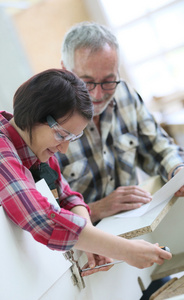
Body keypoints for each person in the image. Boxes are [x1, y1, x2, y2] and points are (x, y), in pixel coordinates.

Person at [0, 69, 172, 280]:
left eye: (71, 138)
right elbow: (42, 220)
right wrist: (125, 250)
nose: (63, 149)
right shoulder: (3, 149)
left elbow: (68, 197)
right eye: (61, 135)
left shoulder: (36, 144)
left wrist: (91, 238)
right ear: (34, 114)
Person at [58, 21, 184, 225]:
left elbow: (158, 148)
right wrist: (97, 209)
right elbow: (46, 211)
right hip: (84, 245)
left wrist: (180, 171)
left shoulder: (125, 95)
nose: (98, 95)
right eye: (87, 82)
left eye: (109, 80)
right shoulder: (47, 122)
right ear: (66, 70)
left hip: (137, 228)